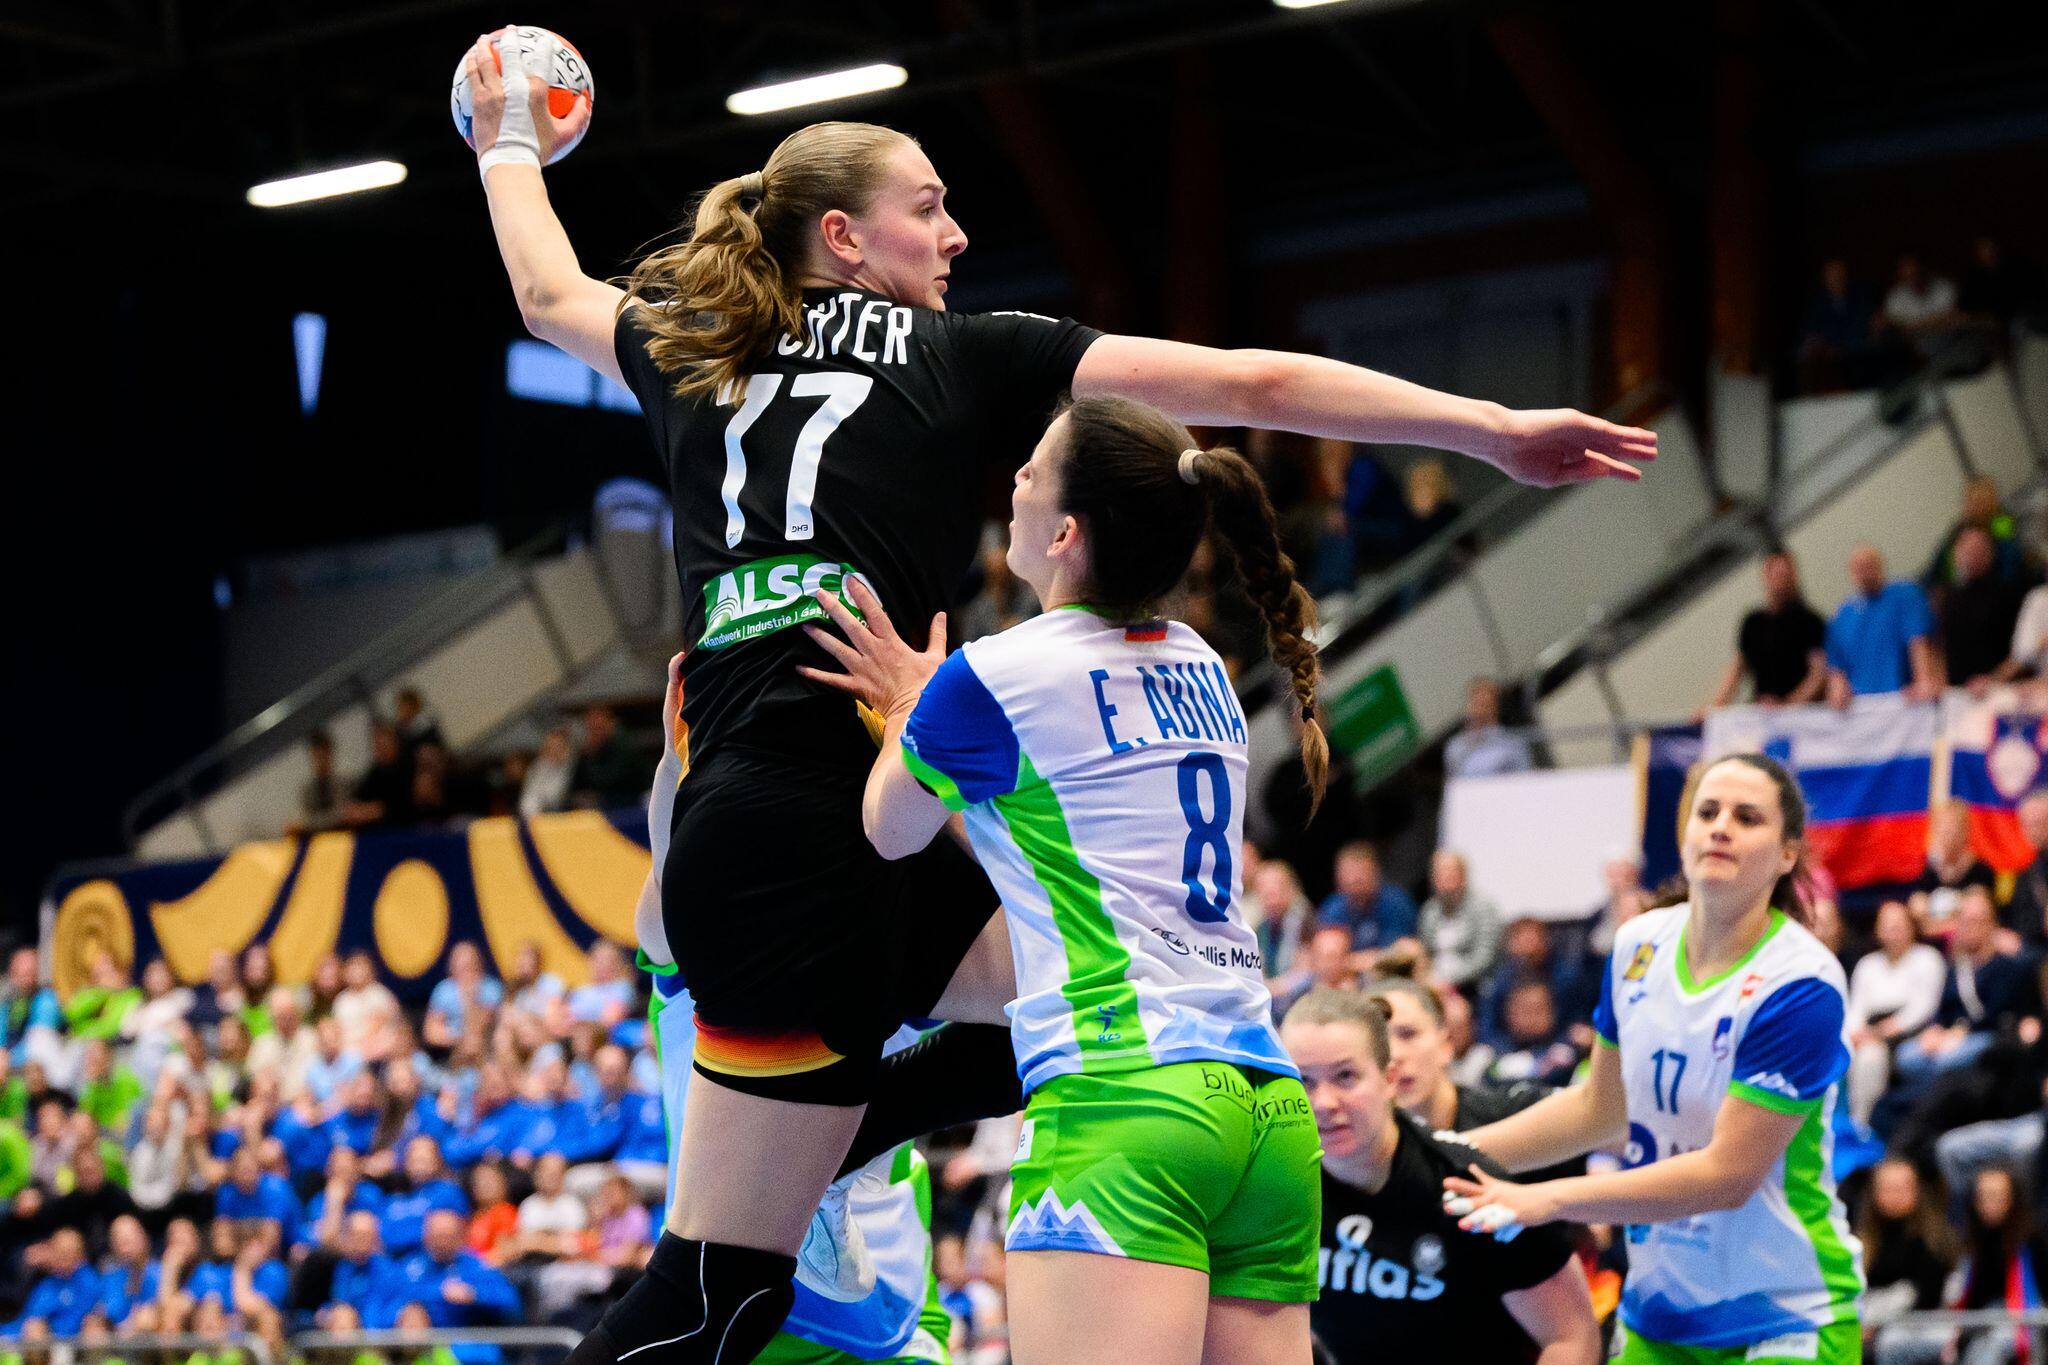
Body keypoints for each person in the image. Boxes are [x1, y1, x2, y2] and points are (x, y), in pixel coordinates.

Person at [466, 34, 1655, 1355]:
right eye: (929, 208)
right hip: (831, 832)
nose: (957, 234)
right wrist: (1490, 430)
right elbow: (1253, 381)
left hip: (779, 829)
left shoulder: (688, 348)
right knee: (721, 1289)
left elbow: (544, 290)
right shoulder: (955, 356)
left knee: (1055, 1010)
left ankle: (835, 1150)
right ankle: (830, 1156)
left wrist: (505, 133)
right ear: (845, 239)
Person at [812, 395, 1358, 1360]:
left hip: (1123, 1099)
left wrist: (908, 706)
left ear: (1065, 533)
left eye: (1032, 467)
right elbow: (1052, 835)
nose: (1016, 480)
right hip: (1266, 1111)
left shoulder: (997, 671)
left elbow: (888, 830)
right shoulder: (1200, 663)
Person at [1438, 753, 1865, 1363]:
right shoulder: (1638, 944)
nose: (1721, 828)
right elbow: (1598, 1111)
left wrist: (1547, 1199)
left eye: (1747, 818)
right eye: (1707, 812)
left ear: (1787, 853)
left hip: (1787, 1314)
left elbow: (1727, 1176)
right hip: (1661, 1313)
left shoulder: (1800, 982)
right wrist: (1442, 1153)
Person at [1281, 988, 1598, 1365]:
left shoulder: (1465, 1186)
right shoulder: (1276, 1187)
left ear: (1389, 1078)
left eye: (1345, 1076)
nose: (1323, 1103)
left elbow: (1571, 1335)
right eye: (1303, 1081)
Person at [1844, 900, 1946, 1126]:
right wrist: (1855, 1033)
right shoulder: (1867, 964)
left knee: (1870, 1059)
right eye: (1887, 926)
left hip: (1910, 1032)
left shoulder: (1928, 958)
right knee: (1841, 1051)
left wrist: (1881, 1032)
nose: (1893, 932)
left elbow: (1923, 1007)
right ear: (1877, 930)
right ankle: (1841, 1124)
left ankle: (1863, 1125)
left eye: (1899, 925)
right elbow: (1856, 1008)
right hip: (1870, 1029)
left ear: (1911, 927)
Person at [1705, 551, 1828, 712]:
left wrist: (1787, 706)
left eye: (1785, 575)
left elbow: (1818, 675)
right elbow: (1736, 671)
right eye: (1776, 574)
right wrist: (1713, 709)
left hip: (1799, 712)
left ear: (1794, 577)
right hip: (1762, 711)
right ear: (1766, 576)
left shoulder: (1810, 622)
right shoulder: (1753, 622)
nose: (1780, 581)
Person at [1827, 545, 1939, 704]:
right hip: (1863, 704)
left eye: (1869, 565)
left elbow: (1919, 640)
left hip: (1904, 698)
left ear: (1880, 565)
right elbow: (1837, 665)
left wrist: (1924, 679)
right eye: (1859, 567)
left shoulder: (1905, 595)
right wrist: (1838, 690)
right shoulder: (1844, 615)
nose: (1865, 572)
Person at [1415, 849, 1504, 992]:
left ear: (1463, 876)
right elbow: (1425, 952)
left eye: (1450, 872)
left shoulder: (1483, 907)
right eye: (1439, 873)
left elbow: (1485, 958)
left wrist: (1447, 980)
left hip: (1472, 985)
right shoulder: (1430, 910)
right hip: (1434, 983)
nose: (1445, 878)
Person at [1318, 842, 1420, 958]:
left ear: (1375, 872)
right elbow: (1326, 952)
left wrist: (1351, 960)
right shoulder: (1332, 907)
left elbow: (1399, 951)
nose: (1354, 879)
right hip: (1345, 968)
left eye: (1360, 872)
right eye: (1348, 872)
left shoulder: (1396, 903)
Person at [1443, 677, 1534, 779]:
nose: (1478, 709)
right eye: (1475, 702)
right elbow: (1453, 782)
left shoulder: (1513, 744)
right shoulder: (1455, 746)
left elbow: (1524, 780)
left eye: (1484, 704)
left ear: (1495, 707)